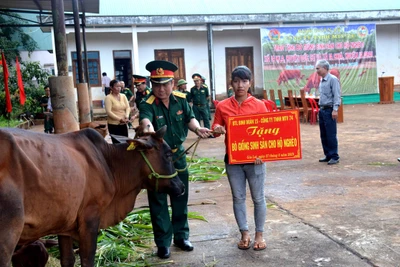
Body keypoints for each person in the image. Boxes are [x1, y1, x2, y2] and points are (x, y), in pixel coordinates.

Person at [138, 60, 211, 259]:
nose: (161, 89)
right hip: (157, 159)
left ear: (172, 83)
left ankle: (181, 236)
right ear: (152, 85)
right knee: (158, 199)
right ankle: (163, 243)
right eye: (157, 84)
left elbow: (190, 118)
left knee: (180, 196)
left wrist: (198, 128)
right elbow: (145, 120)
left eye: (165, 84)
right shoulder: (147, 103)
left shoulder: (180, 99)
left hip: (177, 156)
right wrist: (149, 131)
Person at [212, 65, 268, 251]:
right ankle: (244, 232)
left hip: (255, 161)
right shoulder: (223, 106)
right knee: (238, 198)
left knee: (258, 198)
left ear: (250, 83)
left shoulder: (260, 106)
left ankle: (259, 234)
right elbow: (216, 127)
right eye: (236, 81)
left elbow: (268, 134)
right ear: (231, 83)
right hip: (233, 161)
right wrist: (217, 130)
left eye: (244, 81)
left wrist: (263, 153)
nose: (240, 85)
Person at [316, 60, 341, 165]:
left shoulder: (333, 80)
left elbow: (337, 95)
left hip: (330, 109)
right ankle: (328, 155)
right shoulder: (322, 80)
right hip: (322, 109)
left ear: (325, 68)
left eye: (318, 68)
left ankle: (334, 156)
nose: (317, 70)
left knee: (331, 134)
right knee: (324, 134)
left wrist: (335, 110)